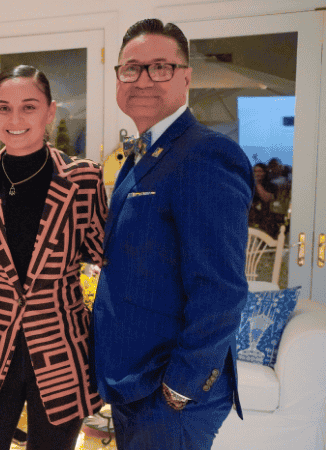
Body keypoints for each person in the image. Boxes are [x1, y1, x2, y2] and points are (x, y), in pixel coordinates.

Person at [92, 19, 253, 450]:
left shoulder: (205, 154)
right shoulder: (142, 154)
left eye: (160, 67)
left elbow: (221, 290)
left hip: (169, 395)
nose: (143, 79)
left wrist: (180, 389)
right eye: (131, 68)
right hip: (136, 383)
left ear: (186, 76)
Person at [0, 65, 107, 450]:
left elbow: (110, 260)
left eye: (29, 106)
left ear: (50, 112)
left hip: (62, 352)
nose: (15, 118)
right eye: (3, 108)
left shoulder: (84, 179)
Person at [249, 162, 282, 237]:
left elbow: (267, 199)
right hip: (251, 219)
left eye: (260, 171)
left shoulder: (271, 186)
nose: (257, 174)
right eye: (255, 171)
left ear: (265, 173)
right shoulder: (249, 185)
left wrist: (257, 184)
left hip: (266, 220)